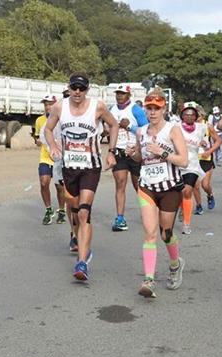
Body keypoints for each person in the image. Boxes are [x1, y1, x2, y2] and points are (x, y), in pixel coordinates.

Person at [44, 73, 118, 282]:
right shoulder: (59, 107)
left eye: (82, 88)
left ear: (87, 90)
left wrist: (111, 152)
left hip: (90, 167)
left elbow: (114, 125)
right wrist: (53, 145)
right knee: (75, 213)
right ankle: (82, 243)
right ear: (69, 88)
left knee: (84, 212)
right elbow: (48, 129)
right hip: (69, 167)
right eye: (74, 87)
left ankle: (82, 262)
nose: (77, 92)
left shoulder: (98, 106)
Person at [126, 89, 188, 298]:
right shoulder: (141, 131)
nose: (152, 112)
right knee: (150, 233)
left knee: (165, 233)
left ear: (164, 109)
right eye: (149, 108)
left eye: (156, 108)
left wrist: (162, 152)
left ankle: (175, 264)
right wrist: (133, 153)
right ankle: (149, 279)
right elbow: (140, 157)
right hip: (147, 187)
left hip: (169, 188)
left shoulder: (173, 130)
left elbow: (183, 160)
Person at [109, 85, 147, 231]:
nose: (119, 96)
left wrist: (129, 126)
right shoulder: (111, 110)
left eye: (123, 94)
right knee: (120, 183)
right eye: (118, 93)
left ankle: (148, 211)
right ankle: (120, 218)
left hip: (135, 152)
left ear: (129, 95)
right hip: (119, 151)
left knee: (139, 186)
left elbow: (146, 130)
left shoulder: (136, 110)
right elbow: (108, 127)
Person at [178, 102, 220, 235]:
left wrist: (208, 149)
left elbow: (216, 140)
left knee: (189, 190)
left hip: (193, 164)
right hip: (178, 163)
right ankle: (182, 207)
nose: (189, 116)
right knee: (180, 192)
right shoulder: (175, 127)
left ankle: (186, 223)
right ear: (182, 115)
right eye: (186, 114)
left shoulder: (203, 127)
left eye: (192, 114)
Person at [33, 94, 67, 225]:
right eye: (46, 104)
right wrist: (37, 141)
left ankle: (62, 210)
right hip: (45, 157)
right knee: (44, 182)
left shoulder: (62, 119)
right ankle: (48, 210)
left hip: (59, 158)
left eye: (50, 104)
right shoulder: (40, 120)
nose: (48, 107)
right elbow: (37, 137)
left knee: (59, 187)